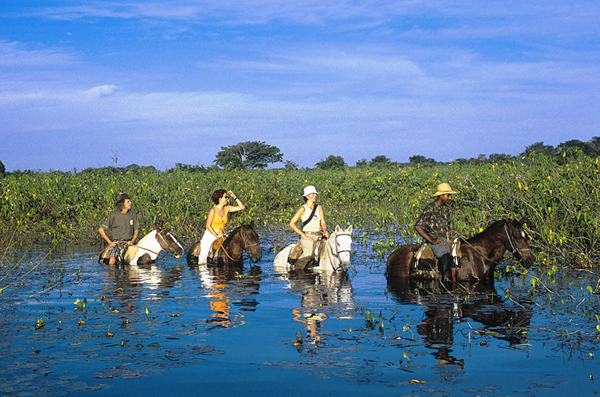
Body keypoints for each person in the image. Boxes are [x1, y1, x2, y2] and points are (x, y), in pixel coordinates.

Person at [414, 183, 460, 281]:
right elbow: (417, 226)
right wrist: (432, 240)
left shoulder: (446, 209)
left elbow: (446, 226)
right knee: (446, 258)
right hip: (436, 240)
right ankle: (446, 284)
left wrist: (452, 230)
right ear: (441, 196)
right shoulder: (430, 208)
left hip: (446, 237)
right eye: (448, 195)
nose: (450, 198)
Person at [198, 189, 246, 264]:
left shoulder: (226, 208)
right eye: (225, 197)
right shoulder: (213, 210)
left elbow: (242, 207)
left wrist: (234, 197)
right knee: (204, 253)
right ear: (220, 199)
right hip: (211, 234)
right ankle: (203, 270)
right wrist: (216, 235)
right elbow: (208, 225)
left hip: (222, 234)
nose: (227, 199)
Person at [288, 186, 329, 271]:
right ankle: (297, 271)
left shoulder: (319, 207)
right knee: (308, 253)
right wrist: (303, 235)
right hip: (307, 236)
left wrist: (325, 231)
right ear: (307, 196)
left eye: (315, 194)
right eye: (312, 194)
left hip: (319, 235)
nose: (315, 195)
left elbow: (323, 222)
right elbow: (291, 223)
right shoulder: (302, 209)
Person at [99, 193, 140, 266]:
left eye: (130, 201)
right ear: (122, 204)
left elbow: (136, 230)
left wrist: (132, 241)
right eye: (128, 201)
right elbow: (101, 230)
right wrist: (110, 243)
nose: (130, 203)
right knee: (112, 260)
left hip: (129, 242)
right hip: (118, 243)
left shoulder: (133, 214)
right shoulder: (114, 216)